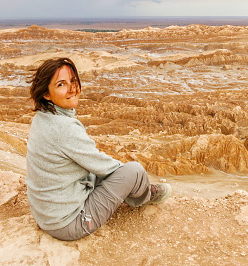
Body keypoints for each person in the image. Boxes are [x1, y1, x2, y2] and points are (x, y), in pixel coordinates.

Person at [26, 57, 171, 241]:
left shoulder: (42, 118)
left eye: (73, 81)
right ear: (46, 94)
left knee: (102, 175)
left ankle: (134, 191)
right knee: (133, 170)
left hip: (47, 215)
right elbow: (105, 166)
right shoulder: (64, 128)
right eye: (61, 84)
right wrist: (130, 179)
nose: (72, 88)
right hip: (69, 223)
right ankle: (146, 194)